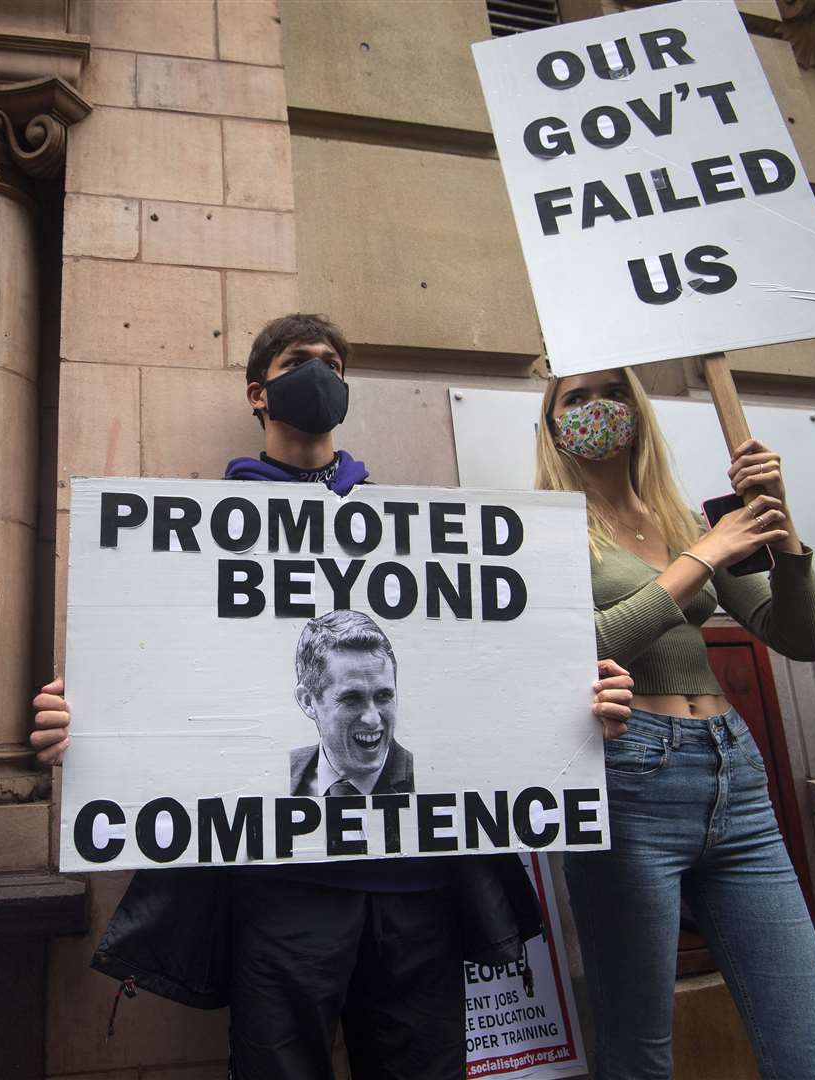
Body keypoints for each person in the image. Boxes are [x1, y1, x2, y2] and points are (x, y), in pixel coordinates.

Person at [32, 314, 635, 1080]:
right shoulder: (189, 543)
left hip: (421, 885)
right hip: (281, 888)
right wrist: (84, 723)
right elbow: (153, 686)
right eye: (298, 361)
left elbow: (488, 676)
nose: (319, 372)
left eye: (332, 363)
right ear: (259, 392)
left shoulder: (413, 529)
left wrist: (574, 700)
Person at [534, 367, 815, 1079]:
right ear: (550, 423)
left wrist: (780, 529)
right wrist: (703, 558)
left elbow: (799, 638)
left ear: (637, 410)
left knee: (808, 1043)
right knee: (638, 1044)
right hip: (627, 778)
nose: (596, 409)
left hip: (732, 769)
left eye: (612, 392)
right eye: (574, 399)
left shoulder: (682, 518)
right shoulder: (546, 528)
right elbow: (587, 646)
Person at [288, 610, 414, 797]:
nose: (372, 719)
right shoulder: (285, 772)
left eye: (383, 696)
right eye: (351, 699)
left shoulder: (422, 775)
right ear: (308, 701)